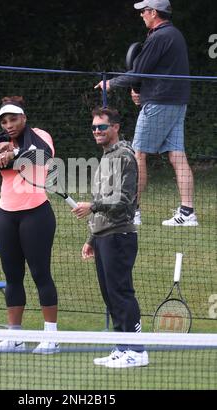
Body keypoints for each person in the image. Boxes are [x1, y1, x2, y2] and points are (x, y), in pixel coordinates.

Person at [95, 0, 198, 227]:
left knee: (137, 154)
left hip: (160, 102)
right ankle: (187, 212)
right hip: (176, 101)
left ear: (154, 12)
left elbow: (139, 70)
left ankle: (132, 211)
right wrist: (140, 90)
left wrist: (111, 83)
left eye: (144, 10)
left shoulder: (160, 36)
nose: (141, 14)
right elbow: (156, 71)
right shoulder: (174, 35)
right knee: (177, 155)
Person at [0, 96, 59, 354]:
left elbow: (43, 156)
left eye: (13, 119)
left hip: (36, 215)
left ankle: (52, 337)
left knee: (40, 274)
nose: (9, 124)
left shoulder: (39, 135)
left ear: (24, 118)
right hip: (6, 215)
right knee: (12, 277)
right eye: (4, 121)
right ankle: (15, 337)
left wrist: (13, 154)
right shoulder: (0, 140)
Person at [72, 106, 148, 368]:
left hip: (119, 236)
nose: (96, 131)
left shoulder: (125, 156)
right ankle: (122, 347)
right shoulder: (106, 157)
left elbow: (124, 200)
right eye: (94, 127)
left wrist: (91, 207)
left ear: (115, 127)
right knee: (110, 294)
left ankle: (137, 350)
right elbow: (103, 199)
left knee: (121, 292)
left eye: (101, 127)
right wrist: (92, 238)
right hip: (104, 236)